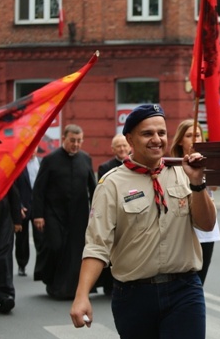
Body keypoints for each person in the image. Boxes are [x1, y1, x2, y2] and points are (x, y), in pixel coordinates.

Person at [69, 104, 217, 339]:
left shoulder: (184, 174)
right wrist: (82, 295)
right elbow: (96, 245)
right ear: (130, 139)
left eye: (161, 132)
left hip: (184, 290)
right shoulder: (112, 184)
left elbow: (207, 225)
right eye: (147, 133)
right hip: (134, 295)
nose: (157, 139)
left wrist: (198, 184)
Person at [170, 119, 220, 339]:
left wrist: (204, 166)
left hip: (206, 235)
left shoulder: (205, 160)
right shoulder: (172, 165)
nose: (194, 138)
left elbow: (213, 186)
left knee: (195, 293)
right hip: (182, 234)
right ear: (181, 140)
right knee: (187, 295)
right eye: (190, 134)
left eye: (199, 134)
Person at [32, 124, 96, 299]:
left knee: (75, 252)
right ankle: (51, 280)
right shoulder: (50, 160)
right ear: (63, 139)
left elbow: (94, 187)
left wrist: (96, 212)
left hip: (79, 214)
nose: (75, 144)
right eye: (72, 140)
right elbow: (39, 190)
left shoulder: (86, 159)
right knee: (55, 247)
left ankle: (69, 288)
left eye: (79, 141)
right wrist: (38, 215)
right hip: (54, 213)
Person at [94, 133, 131, 296]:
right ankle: (110, 285)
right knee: (111, 250)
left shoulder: (135, 165)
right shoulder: (105, 167)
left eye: (124, 145)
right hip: (113, 213)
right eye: (119, 146)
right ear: (113, 149)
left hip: (130, 212)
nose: (122, 149)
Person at [13, 152, 41, 277]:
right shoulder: (18, 164)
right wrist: (18, 206)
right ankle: (22, 265)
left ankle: (41, 267)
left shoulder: (41, 162)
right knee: (22, 239)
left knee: (41, 238)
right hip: (23, 207)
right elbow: (13, 187)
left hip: (38, 207)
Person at [0, 185, 21, 313]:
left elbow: (13, 191)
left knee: (4, 254)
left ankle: (5, 294)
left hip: (4, 216)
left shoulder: (3, 166)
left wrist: (17, 219)